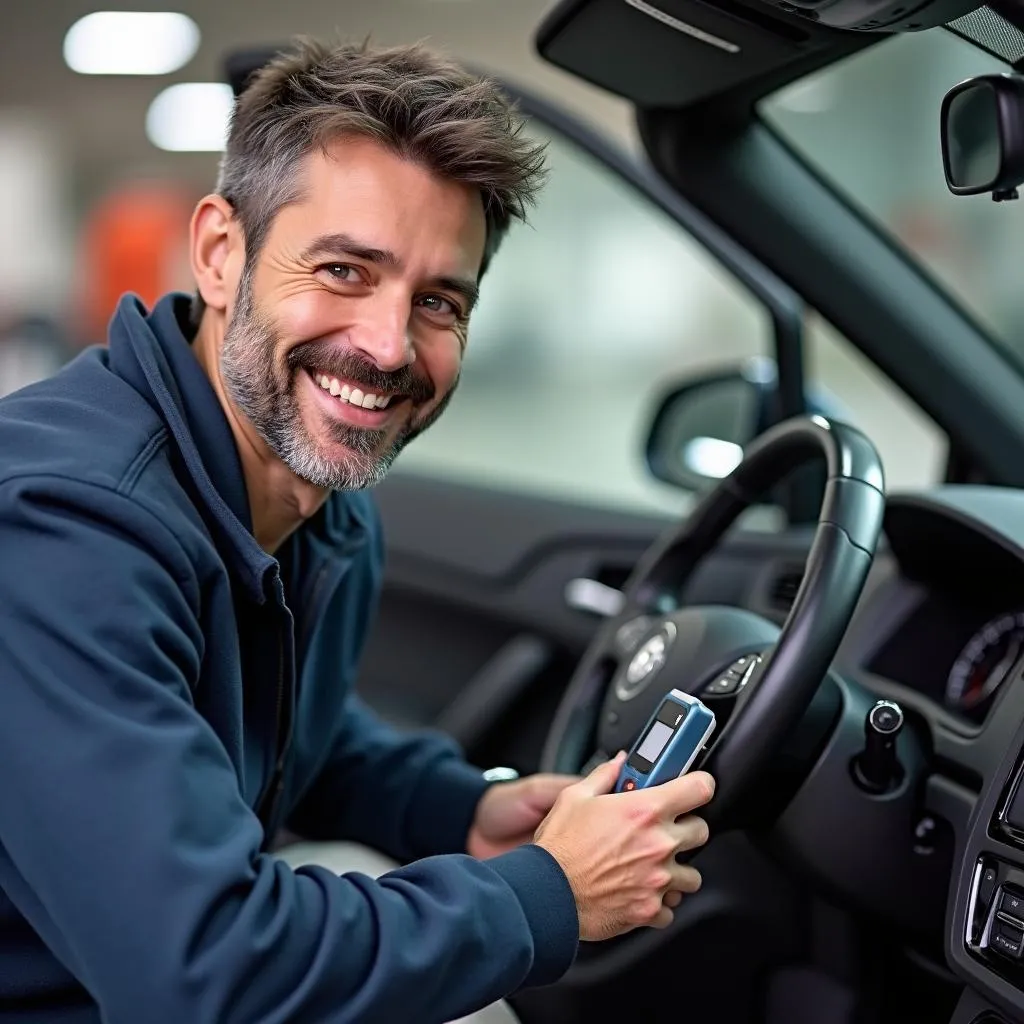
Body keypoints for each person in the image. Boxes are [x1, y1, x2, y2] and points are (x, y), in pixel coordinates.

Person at [0, 39, 715, 1024]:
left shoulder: (315, 502)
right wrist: (548, 893)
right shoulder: (61, 531)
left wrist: (456, 812)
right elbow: (206, 971)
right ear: (219, 252)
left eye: (437, 302)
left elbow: (276, 729)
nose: (386, 346)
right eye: (343, 269)